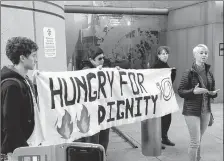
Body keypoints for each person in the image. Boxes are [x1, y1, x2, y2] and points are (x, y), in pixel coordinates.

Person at [178, 44, 219, 161]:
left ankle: (198, 158)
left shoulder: (209, 73)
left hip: (206, 110)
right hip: (191, 111)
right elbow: (180, 91)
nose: (204, 55)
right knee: (195, 141)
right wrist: (193, 91)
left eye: (206, 53)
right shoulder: (188, 73)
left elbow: (211, 91)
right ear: (194, 55)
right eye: (201, 53)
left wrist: (213, 93)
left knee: (199, 139)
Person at [1, 37, 39, 155]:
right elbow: (11, 124)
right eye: (33, 55)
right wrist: (24, 150)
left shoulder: (25, 80)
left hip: (26, 145)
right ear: (22, 58)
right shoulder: (11, 86)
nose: (36, 59)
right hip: (17, 150)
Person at [80, 46, 110, 154]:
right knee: (94, 142)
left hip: (102, 111)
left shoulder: (102, 70)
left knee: (103, 140)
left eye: (103, 58)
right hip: (92, 114)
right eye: (99, 59)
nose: (102, 61)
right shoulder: (85, 71)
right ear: (91, 60)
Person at [151, 46, 176, 149]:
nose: (165, 55)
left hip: (167, 95)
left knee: (167, 118)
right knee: (159, 119)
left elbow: (169, 82)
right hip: (158, 97)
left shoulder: (166, 66)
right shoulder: (155, 66)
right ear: (158, 55)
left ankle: (164, 137)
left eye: (166, 53)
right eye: (162, 53)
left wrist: (173, 73)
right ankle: (156, 140)